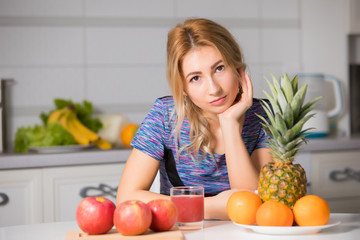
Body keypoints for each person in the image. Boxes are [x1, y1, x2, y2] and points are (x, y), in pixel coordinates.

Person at [116, 18, 273, 220]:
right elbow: (126, 199)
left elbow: (255, 204)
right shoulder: (165, 115)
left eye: (219, 68)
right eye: (195, 78)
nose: (214, 89)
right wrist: (214, 206)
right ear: (183, 89)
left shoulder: (262, 116)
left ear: (238, 68)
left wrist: (230, 124)